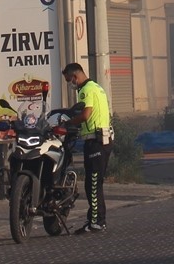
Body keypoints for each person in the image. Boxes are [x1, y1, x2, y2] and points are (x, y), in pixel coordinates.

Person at [62, 62, 112, 234]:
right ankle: (97, 220)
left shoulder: (86, 90)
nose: (71, 84)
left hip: (96, 143)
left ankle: (96, 222)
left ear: (75, 76)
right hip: (103, 140)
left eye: (70, 80)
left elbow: (85, 114)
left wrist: (67, 123)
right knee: (95, 184)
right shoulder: (96, 87)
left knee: (92, 184)